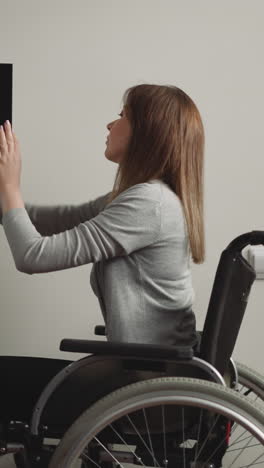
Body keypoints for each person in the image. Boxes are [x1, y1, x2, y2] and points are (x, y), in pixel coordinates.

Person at [0, 83, 204, 347]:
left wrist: (8, 186)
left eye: (122, 116)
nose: (110, 125)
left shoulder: (149, 204)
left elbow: (32, 256)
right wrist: (6, 199)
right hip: (146, 365)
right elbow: (62, 218)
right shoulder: (142, 197)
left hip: (146, 371)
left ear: (146, 132)